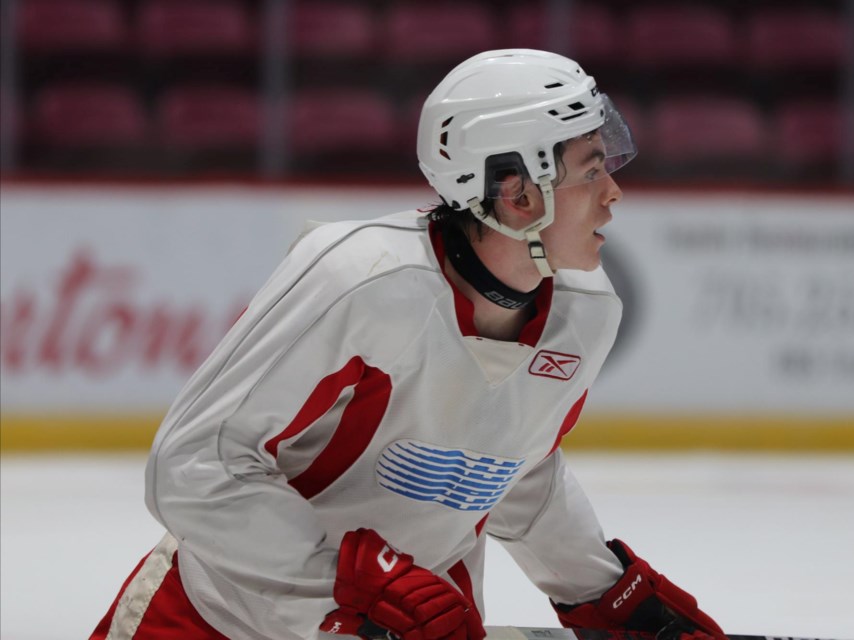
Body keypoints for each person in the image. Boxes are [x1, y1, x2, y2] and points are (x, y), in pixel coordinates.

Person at [91, 49, 725, 640]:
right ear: (517, 191)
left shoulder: (587, 311)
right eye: (592, 171)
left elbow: (516, 469)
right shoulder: (362, 278)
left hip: (409, 625)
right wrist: (351, 581)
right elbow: (194, 466)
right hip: (220, 619)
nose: (614, 193)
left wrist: (607, 592)